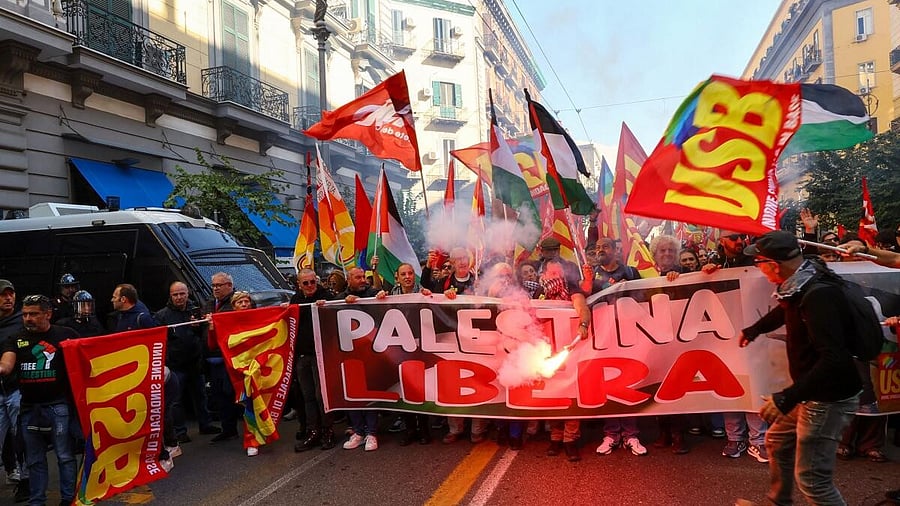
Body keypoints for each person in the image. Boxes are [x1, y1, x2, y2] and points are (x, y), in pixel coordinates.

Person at [739, 231, 862, 505]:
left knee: (813, 480)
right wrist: (756, 328)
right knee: (777, 441)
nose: (758, 268)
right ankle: (778, 501)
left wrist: (786, 397)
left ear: (774, 264)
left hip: (826, 399)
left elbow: (834, 359)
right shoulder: (803, 280)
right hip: (811, 393)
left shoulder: (819, 296)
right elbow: (786, 308)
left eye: (759, 262)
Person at [0, 294, 79, 506]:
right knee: (34, 459)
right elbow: (6, 366)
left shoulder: (66, 335)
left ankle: (68, 500)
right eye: (25, 314)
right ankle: (37, 502)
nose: (28, 318)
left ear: (48, 314)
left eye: (34, 314)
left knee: (64, 455)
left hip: (58, 406)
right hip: (28, 409)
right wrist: (1, 369)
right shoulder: (15, 339)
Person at [154, 282, 220, 443]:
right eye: (175, 294)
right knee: (176, 400)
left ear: (188, 293)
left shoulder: (196, 310)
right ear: (170, 296)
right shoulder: (162, 316)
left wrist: (197, 327)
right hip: (176, 364)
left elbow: (204, 333)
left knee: (201, 396)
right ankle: (180, 431)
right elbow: (158, 339)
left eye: (182, 294)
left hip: (195, 361)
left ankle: (205, 424)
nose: (179, 297)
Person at [540, 259, 591, 462]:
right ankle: (555, 437)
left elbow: (582, 308)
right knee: (553, 395)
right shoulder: (538, 294)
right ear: (544, 275)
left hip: (571, 350)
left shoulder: (571, 289)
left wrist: (584, 324)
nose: (555, 277)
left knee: (570, 396)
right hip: (546, 350)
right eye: (551, 273)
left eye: (558, 273)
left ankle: (570, 440)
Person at [377, 263, 433, 447]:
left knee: (420, 389)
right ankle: (410, 429)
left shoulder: (425, 293)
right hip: (399, 350)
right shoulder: (389, 296)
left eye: (410, 273)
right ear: (397, 277)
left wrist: (432, 298)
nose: (407, 276)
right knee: (404, 389)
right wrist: (379, 300)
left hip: (420, 348)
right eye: (403, 274)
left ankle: (424, 429)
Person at [292, 268, 338, 452]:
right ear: (299, 284)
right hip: (303, 356)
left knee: (321, 396)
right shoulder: (295, 300)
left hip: (321, 355)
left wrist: (326, 306)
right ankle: (313, 431)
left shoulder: (325, 295)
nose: (310, 286)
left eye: (313, 282)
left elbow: (337, 309)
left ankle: (328, 431)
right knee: (308, 396)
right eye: (306, 283)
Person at [339, 268, 385, 452]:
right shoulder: (340, 298)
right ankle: (358, 431)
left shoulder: (371, 294)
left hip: (370, 353)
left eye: (363, 277)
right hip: (348, 354)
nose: (362, 280)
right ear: (348, 280)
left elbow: (381, 296)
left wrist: (382, 295)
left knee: (370, 393)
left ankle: (372, 433)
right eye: (357, 278)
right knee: (353, 394)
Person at [203, 272, 242, 444]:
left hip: (231, 356)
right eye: (213, 285)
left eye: (219, 285)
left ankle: (247, 428)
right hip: (213, 356)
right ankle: (228, 429)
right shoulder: (209, 304)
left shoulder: (237, 303)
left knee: (230, 392)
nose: (215, 288)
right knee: (219, 394)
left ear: (229, 285)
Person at [0, 280, 26, 501]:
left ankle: (24, 480)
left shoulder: (22, 321)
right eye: (3, 295)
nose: (9, 298)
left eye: (11, 294)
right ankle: (11, 469)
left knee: (20, 435)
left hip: (18, 388)